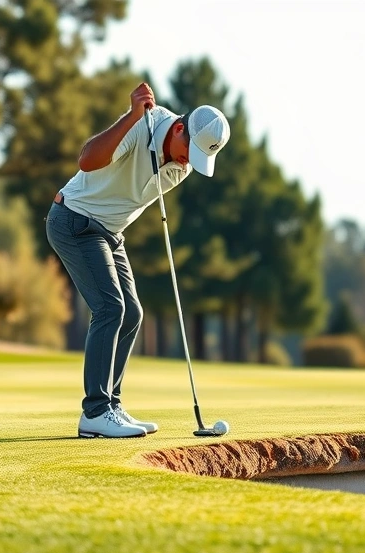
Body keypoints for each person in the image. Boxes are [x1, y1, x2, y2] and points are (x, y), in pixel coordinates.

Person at [45, 82, 231, 438]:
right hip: (74, 220)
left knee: (132, 313)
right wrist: (131, 116)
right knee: (110, 308)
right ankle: (95, 412)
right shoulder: (142, 124)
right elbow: (87, 160)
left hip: (109, 233)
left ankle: (110, 406)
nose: (188, 163)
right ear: (179, 128)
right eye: (189, 152)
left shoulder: (182, 166)